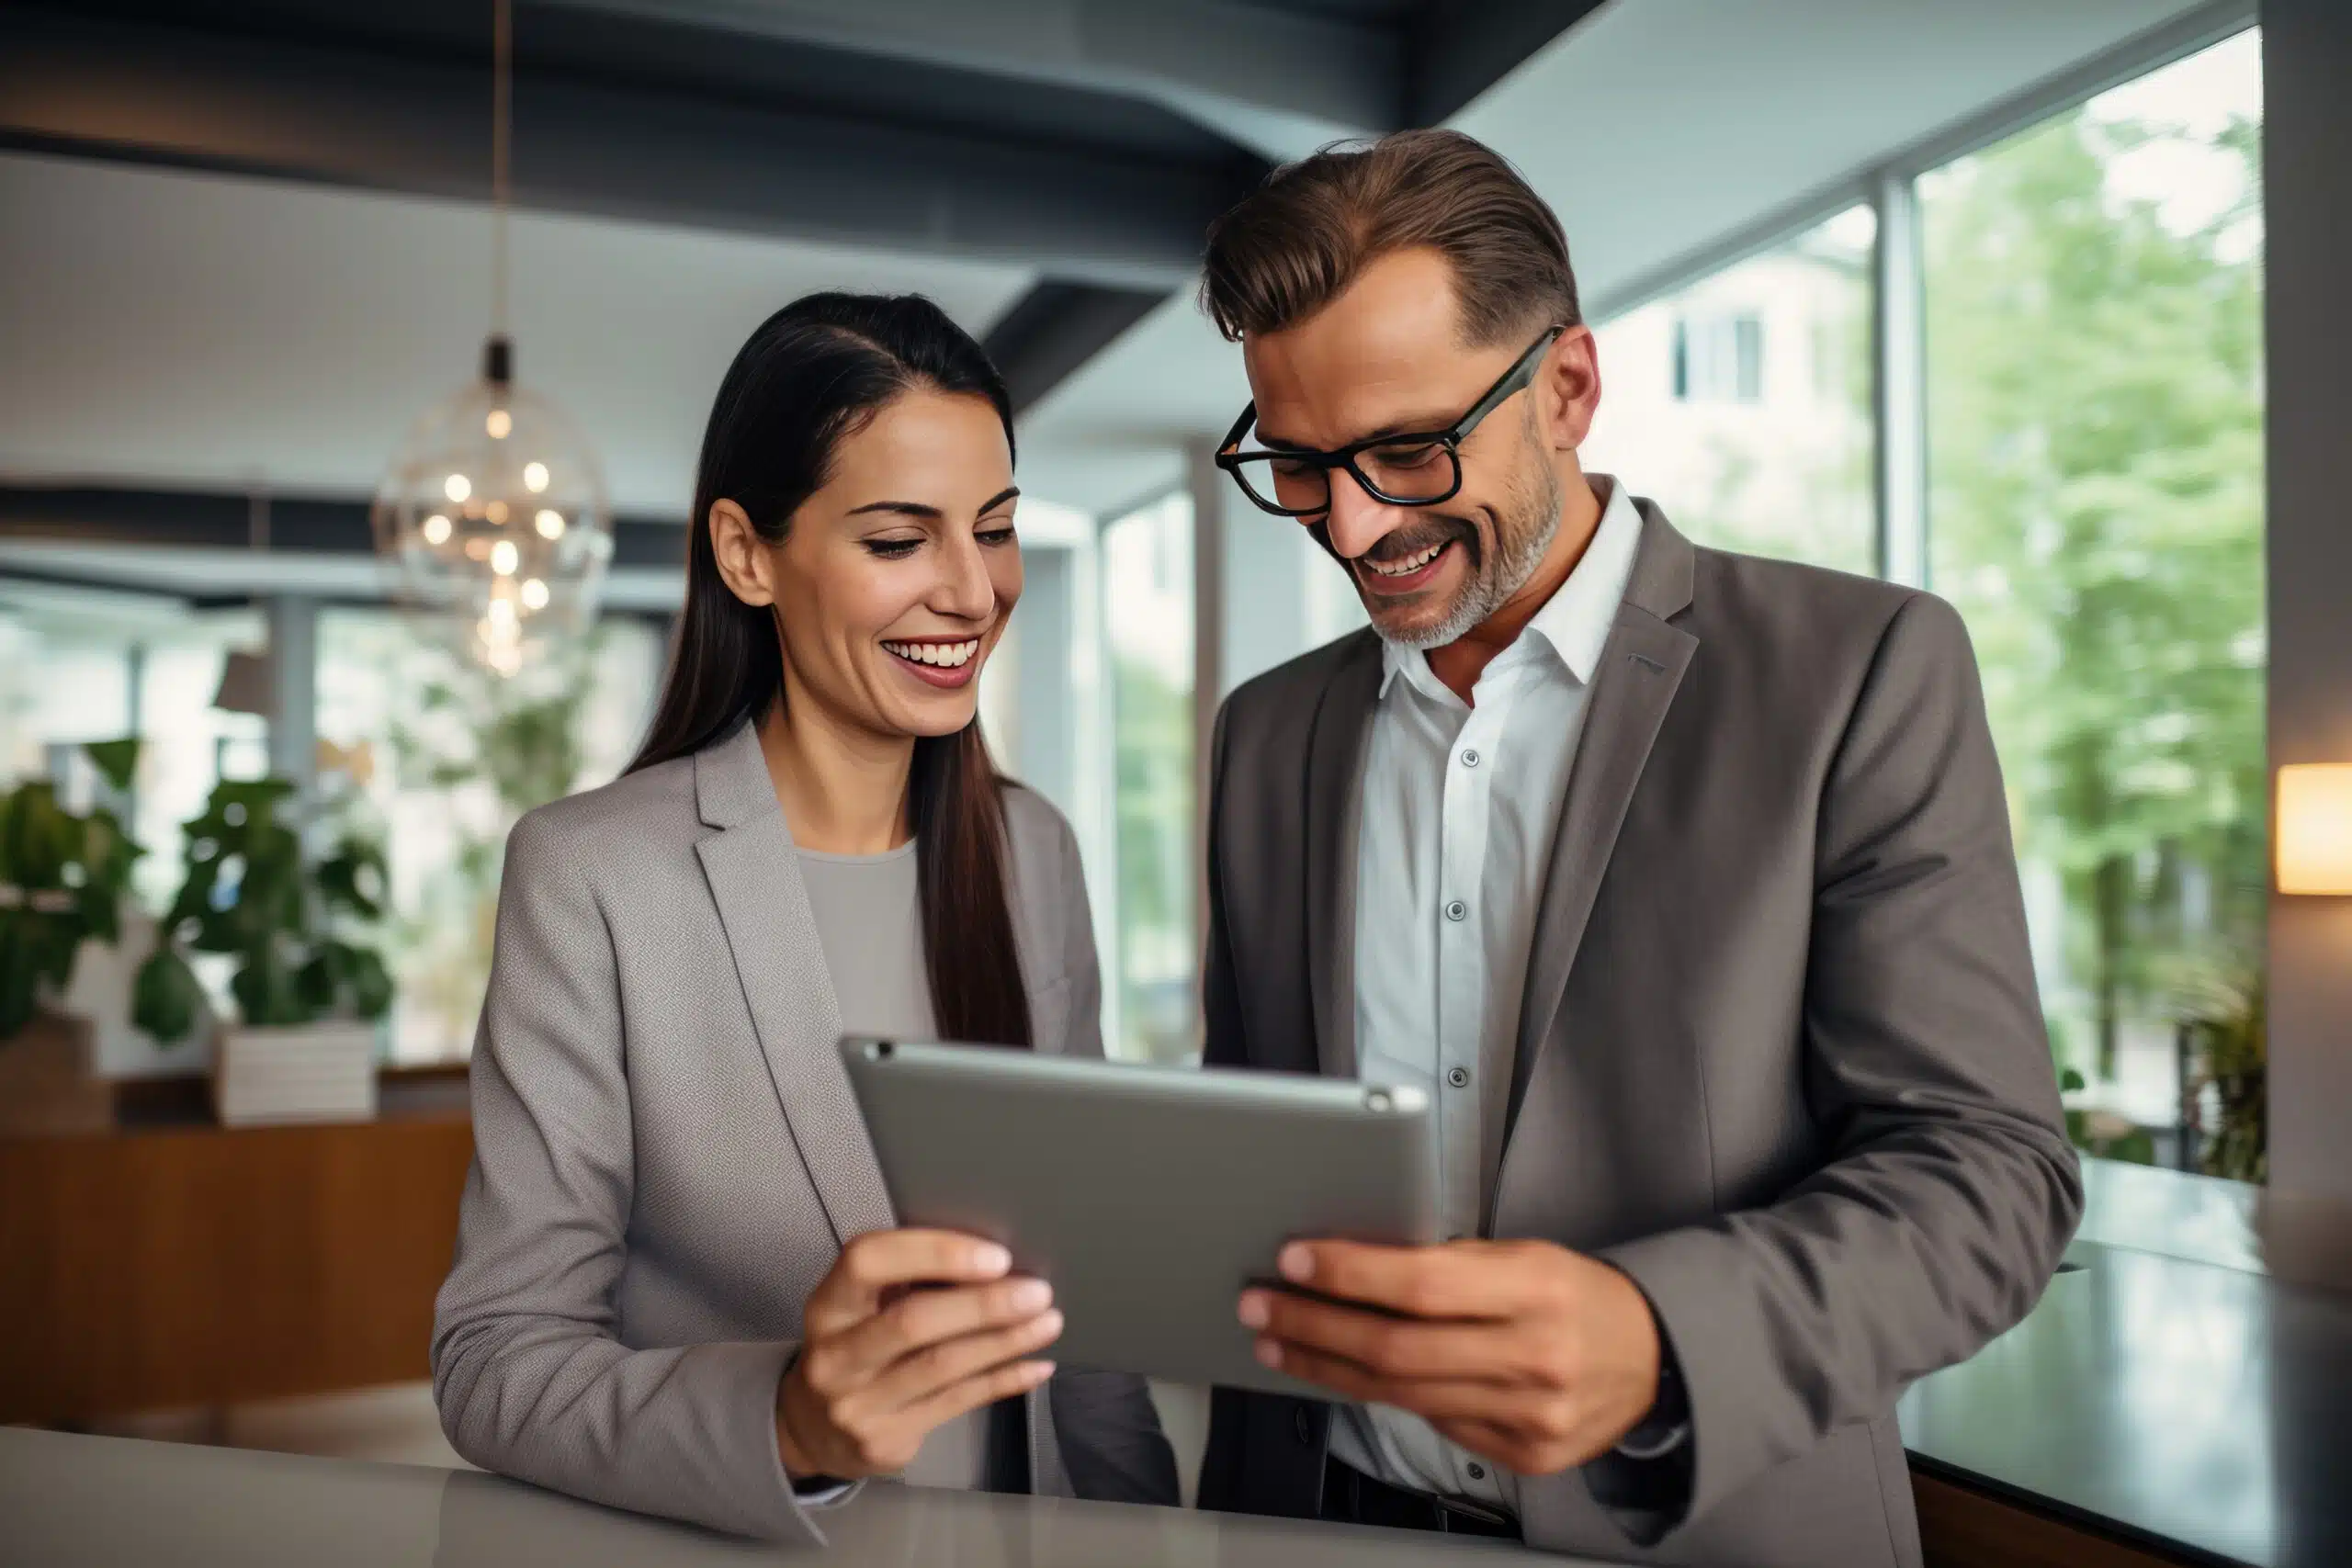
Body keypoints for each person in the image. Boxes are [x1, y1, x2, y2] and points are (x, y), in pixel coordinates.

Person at [1191, 130, 2081, 1567]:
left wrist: (1662, 1334)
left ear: (1568, 389)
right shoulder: (1264, 735)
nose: (1353, 524)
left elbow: (1987, 1171)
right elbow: (1251, 1149)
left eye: (1409, 449)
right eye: (1297, 464)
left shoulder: (1859, 673)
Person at [432, 292, 1178, 1541]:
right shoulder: (591, 875)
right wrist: (788, 1417)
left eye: (992, 529)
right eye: (898, 540)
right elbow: (497, 1357)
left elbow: (1080, 1325)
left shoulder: (1033, 853)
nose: (972, 590)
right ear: (746, 554)